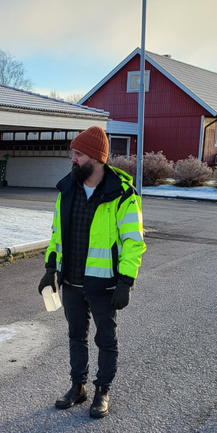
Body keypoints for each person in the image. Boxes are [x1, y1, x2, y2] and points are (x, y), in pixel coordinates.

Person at [38, 126, 146, 418]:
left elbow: (133, 244)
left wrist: (125, 282)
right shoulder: (67, 190)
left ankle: (103, 390)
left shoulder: (123, 195)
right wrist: (51, 269)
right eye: (73, 153)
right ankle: (78, 386)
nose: (72, 159)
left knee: (106, 339)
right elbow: (56, 235)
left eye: (78, 154)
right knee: (76, 335)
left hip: (105, 283)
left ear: (97, 159)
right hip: (71, 281)